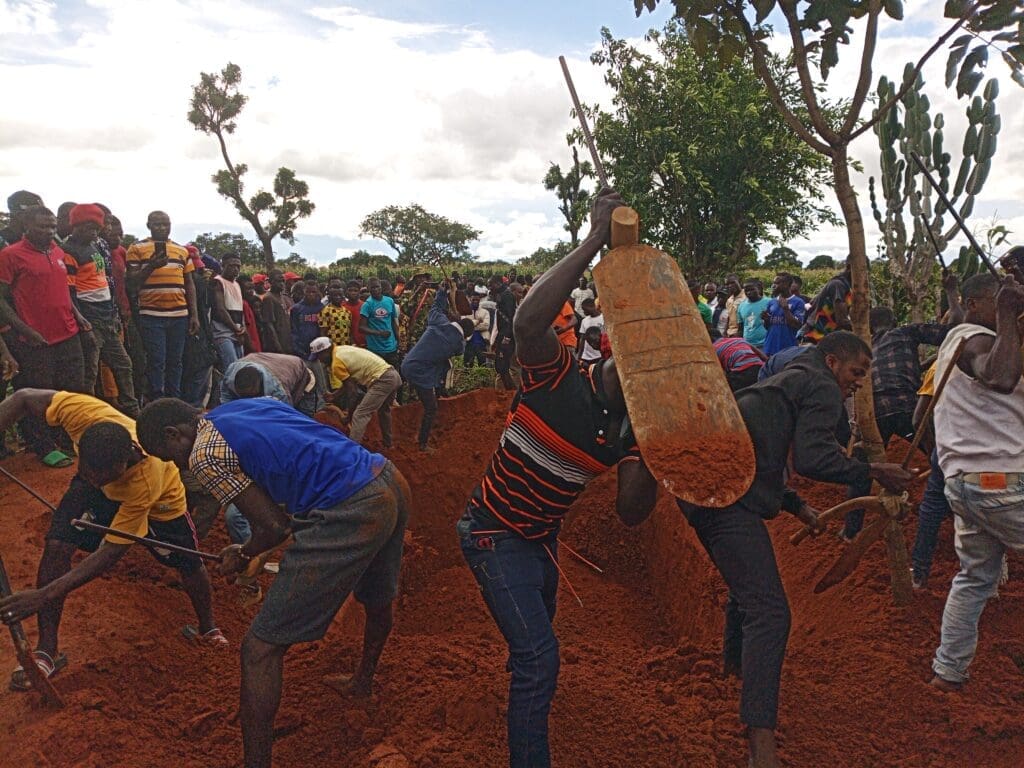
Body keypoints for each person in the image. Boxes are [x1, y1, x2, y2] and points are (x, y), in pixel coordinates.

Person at [459, 190, 659, 768]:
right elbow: (525, 322)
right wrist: (595, 240)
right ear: (611, 353)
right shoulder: (557, 375)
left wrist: (657, 447)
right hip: (492, 533)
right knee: (540, 658)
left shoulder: (628, 430)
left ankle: (530, 694)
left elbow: (630, 511)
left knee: (537, 641)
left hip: (539, 540)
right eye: (635, 364)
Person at [679, 331, 913, 768]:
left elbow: (762, 451)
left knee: (748, 589)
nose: (859, 383)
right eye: (856, 372)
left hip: (707, 486)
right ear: (832, 362)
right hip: (725, 495)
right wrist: (873, 469)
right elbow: (812, 458)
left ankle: (735, 671)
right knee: (771, 612)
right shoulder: (821, 385)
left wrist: (797, 505)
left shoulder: (790, 377)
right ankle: (761, 751)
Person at [135, 396, 410, 768]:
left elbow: (273, 527)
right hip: (386, 480)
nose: (179, 467)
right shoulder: (240, 407)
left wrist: (246, 552)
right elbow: (286, 481)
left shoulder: (203, 453)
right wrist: (255, 550)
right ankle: (363, 681)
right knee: (378, 596)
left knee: (259, 649)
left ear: (174, 433)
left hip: (350, 507)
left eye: (171, 456)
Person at [0, 389, 225, 690]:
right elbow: (24, 398)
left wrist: (44, 594)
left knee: (188, 562)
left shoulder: (146, 478)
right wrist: (92, 481)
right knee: (56, 546)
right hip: (102, 485)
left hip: (161, 505)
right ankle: (47, 650)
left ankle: (208, 628)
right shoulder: (85, 416)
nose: (92, 479)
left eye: (98, 476)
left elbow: (111, 552)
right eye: (86, 470)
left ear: (124, 461)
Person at [929, 273, 1024, 692]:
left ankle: (948, 674)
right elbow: (1000, 378)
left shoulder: (955, 343)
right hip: (999, 483)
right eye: (1002, 303)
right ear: (975, 303)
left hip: (966, 485)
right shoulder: (974, 337)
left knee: (973, 579)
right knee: (973, 580)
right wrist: (1005, 313)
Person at [841, 275, 962, 540]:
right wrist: (952, 292)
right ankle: (958, 515)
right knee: (943, 460)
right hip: (908, 407)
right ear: (894, 322)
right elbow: (954, 331)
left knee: (862, 470)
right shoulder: (904, 332)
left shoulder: (865, 348)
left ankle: (850, 531)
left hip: (874, 413)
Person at [0, 206, 89, 468]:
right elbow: (2, 300)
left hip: (68, 332)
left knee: (72, 389)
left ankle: (66, 437)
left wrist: (79, 316)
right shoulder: (10, 255)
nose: (49, 231)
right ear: (27, 226)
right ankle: (42, 445)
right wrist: (24, 329)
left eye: (52, 226)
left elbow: (62, 291)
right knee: (39, 396)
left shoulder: (58, 251)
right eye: (42, 226)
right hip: (35, 340)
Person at [61, 204, 139, 417]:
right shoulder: (69, 251)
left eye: (96, 228)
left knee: (123, 365)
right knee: (90, 373)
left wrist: (113, 314)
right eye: (88, 227)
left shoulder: (95, 246)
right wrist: (81, 320)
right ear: (75, 226)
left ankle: (131, 412)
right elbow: (69, 291)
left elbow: (104, 282)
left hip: (107, 316)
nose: (93, 232)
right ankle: (88, 416)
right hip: (89, 318)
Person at [125, 211, 200, 400]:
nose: (162, 228)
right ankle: (157, 400)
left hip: (179, 315)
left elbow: (189, 283)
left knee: (176, 361)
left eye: (165, 224)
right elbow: (132, 283)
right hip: (151, 315)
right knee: (156, 361)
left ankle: (174, 399)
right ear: (149, 225)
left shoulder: (181, 250)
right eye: (157, 224)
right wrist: (151, 266)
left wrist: (194, 315)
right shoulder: (136, 248)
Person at [401, 288, 473, 451]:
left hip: (407, 363)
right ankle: (422, 443)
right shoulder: (458, 344)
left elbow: (436, 307)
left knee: (429, 391)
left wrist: (443, 290)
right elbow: (460, 349)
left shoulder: (437, 321)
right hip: (419, 373)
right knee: (431, 408)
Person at [311, 338, 401, 447]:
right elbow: (349, 382)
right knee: (384, 410)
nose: (320, 361)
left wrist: (349, 416)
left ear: (326, 351)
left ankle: (352, 450)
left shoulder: (336, 364)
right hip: (393, 375)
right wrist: (334, 395)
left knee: (360, 414)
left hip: (382, 380)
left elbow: (353, 392)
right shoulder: (341, 350)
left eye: (319, 356)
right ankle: (388, 444)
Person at [909, 361, 952, 590]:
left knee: (933, 508)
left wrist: (934, 454)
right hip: (999, 455)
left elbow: (918, 420)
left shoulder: (941, 364)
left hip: (948, 450)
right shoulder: (1013, 359)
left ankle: (919, 572)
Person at [221, 352, 319, 416]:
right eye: (243, 396)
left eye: (250, 396)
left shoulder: (278, 392)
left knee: (304, 419)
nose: (248, 400)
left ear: (260, 386)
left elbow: (286, 419)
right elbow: (227, 406)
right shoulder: (229, 377)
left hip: (303, 379)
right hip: (273, 366)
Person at [210, 253, 247, 369]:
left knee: (239, 368)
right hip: (223, 332)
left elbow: (240, 309)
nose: (236, 269)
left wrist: (242, 328)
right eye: (232, 266)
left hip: (237, 331)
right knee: (232, 368)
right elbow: (221, 310)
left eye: (238, 266)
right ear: (223, 265)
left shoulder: (237, 284)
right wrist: (236, 329)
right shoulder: (218, 282)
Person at [802, 262, 852, 343]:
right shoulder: (838, 285)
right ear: (850, 268)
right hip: (816, 335)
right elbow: (842, 321)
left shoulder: (846, 286)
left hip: (825, 334)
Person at [359, 278, 401, 368]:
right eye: (372, 287)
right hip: (375, 348)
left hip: (391, 346)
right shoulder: (367, 305)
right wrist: (379, 333)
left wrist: (398, 339)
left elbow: (393, 322)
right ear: (368, 289)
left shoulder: (389, 301)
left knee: (394, 372)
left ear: (381, 287)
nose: (375, 289)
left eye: (377, 287)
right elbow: (361, 327)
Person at [761, 273, 805, 356]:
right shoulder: (771, 302)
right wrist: (766, 319)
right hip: (770, 347)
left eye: (777, 283)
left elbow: (797, 325)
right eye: (773, 283)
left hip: (788, 349)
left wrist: (786, 309)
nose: (773, 286)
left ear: (787, 284)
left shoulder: (798, 302)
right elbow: (768, 327)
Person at [259, 270, 293, 354]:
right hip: (277, 344)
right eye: (278, 281)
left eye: (283, 281)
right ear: (271, 282)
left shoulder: (282, 297)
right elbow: (269, 324)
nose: (281, 283)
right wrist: (277, 346)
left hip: (286, 341)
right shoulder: (269, 298)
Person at [289, 281, 322, 358]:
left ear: (317, 292)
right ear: (304, 292)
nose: (311, 294)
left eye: (313, 292)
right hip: (301, 350)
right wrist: (298, 349)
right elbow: (293, 330)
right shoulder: (296, 309)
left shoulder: (321, 308)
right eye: (308, 292)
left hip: (318, 350)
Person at [737, 279, 771, 351]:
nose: (749, 292)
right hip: (747, 345)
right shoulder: (741, 306)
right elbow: (741, 327)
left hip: (765, 344)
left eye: (752, 289)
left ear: (759, 289)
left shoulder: (769, 302)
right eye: (746, 290)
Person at [318, 278, 352, 346]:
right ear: (330, 297)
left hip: (345, 347)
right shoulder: (325, 311)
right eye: (335, 295)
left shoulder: (347, 312)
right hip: (333, 347)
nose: (338, 297)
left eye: (340, 295)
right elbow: (323, 333)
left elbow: (349, 331)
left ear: (343, 296)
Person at [462, 294, 490, 367]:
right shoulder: (465, 311)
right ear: (470, 300)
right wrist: (478, 322)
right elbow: (464, 324)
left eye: (477, 300)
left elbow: (486, 326)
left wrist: (471, 324)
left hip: (481, 342)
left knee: (482, 364)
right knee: (467, 365)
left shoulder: (485, 312)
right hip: (468, 342)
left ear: (479, 300)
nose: (475, 301)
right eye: (473, 300)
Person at [578, 298, 604, 362]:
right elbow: (582, 339)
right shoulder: (584, 321)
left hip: (600, 355)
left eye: (585, 309)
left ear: (591, 307)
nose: (584, 312)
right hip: (586, 356)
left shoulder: (604, 318)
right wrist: (579, 356)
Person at [342, 280, 366, 347]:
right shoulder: (342, 307)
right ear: (346, 292)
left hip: (364, 343)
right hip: (347, 343)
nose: (353, 293)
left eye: (355, 291)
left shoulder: (365, 306)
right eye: (350, 290)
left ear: (359, 292)